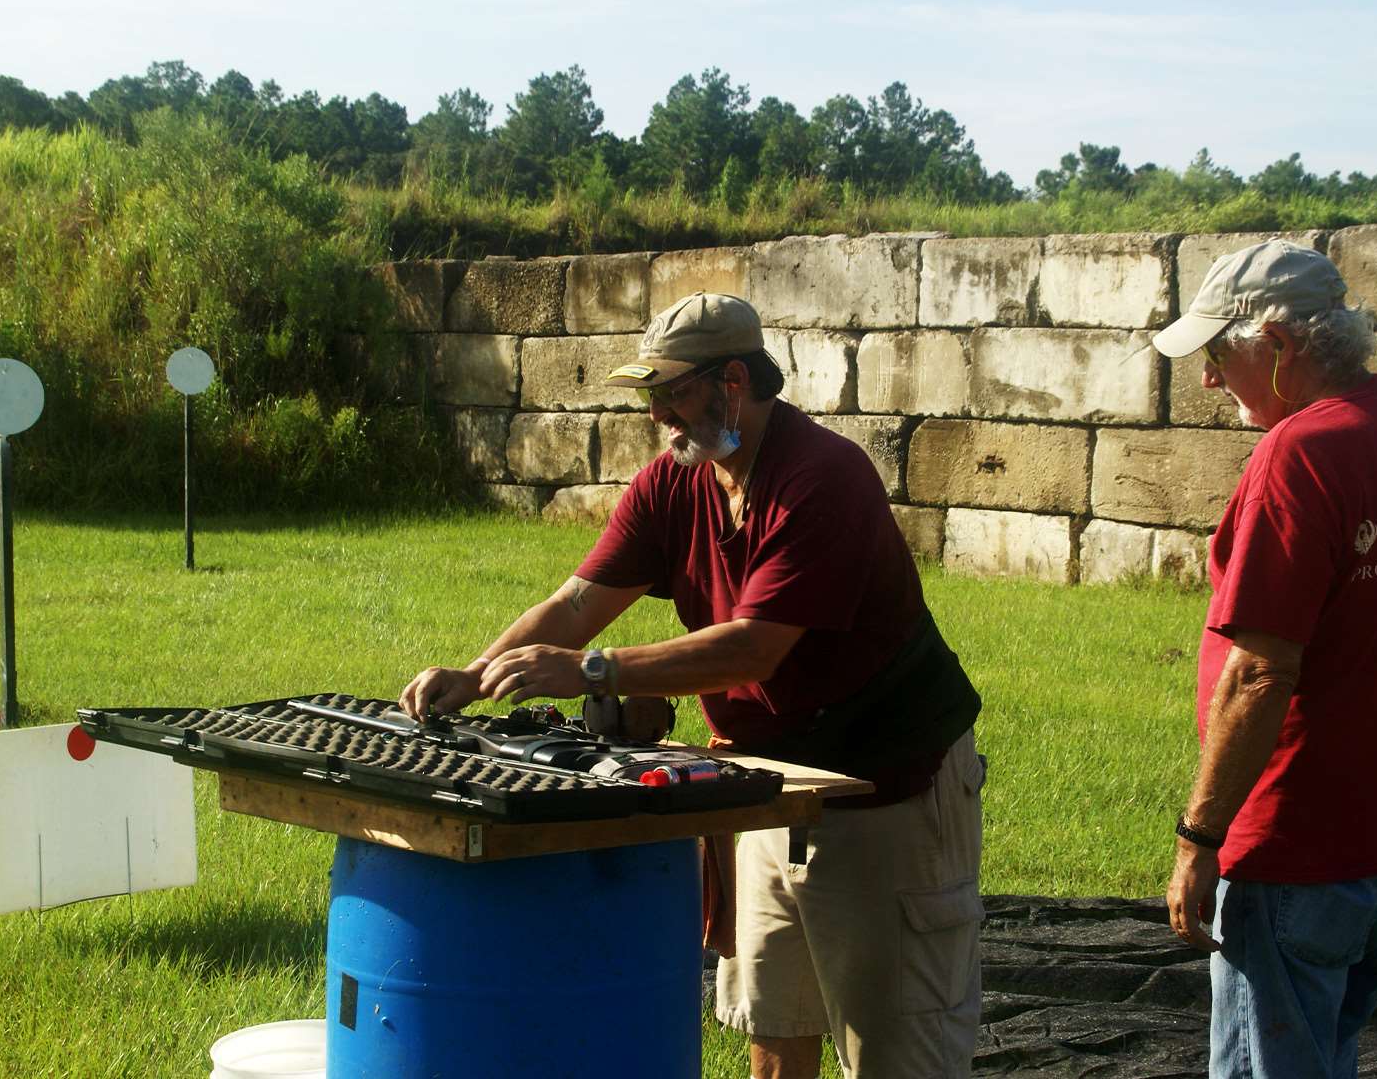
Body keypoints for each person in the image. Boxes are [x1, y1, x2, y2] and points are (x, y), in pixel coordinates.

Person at [400, 292, 985, 1079]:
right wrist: (473, 676)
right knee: (774, 1032)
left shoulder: (824, 477)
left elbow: (753, 649)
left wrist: (594, 670)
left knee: (895, 1053)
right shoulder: (674, 483)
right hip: (768, 786)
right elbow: (578, 603)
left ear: (733, 382)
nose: (658, 417)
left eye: (671, 394)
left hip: (890, 787)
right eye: (650, 398)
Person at [1151, 242, 1377, 1079]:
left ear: (1280, 345)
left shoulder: (1298, 456)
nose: (1210, 380)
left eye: (1220, 354)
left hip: (1298, 846)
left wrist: (1199, 835)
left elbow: (1259, 670)